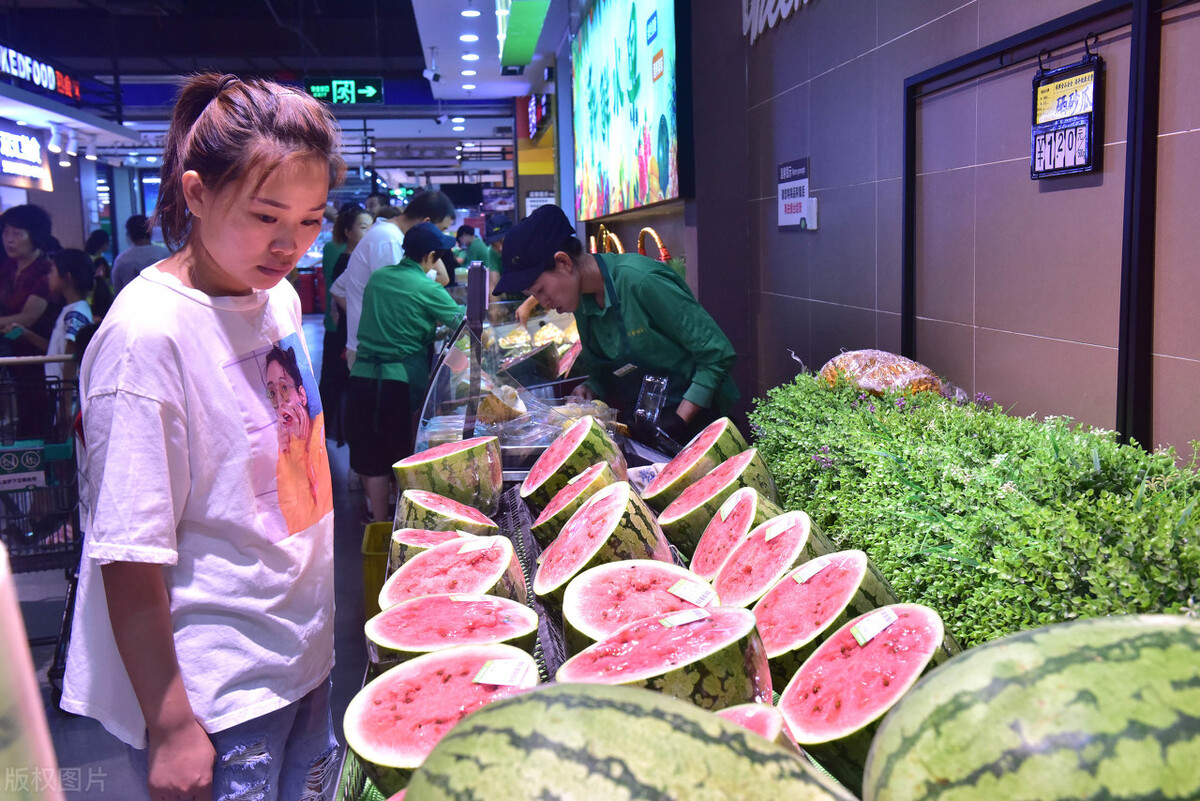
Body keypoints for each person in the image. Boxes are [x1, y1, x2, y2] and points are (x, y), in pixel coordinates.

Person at [60, 73, 344, 801]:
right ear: (195, 192)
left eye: (312, 219)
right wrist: (171, 723)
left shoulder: (274, 296)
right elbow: (126, 554)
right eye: (265, 216)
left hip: (303, 659)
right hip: (218, 698)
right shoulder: (146, 338)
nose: (291, 245)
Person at [493, 203, 739, 443]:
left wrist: (679, 419)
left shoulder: (641, 281)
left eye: (540, 290)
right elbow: (607, 368)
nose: (542, 302)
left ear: (564, 262)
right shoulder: (581, 304)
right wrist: (591, 387)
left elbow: (717, 354)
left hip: (702, 424)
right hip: (648, 428)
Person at [346, 222, 463, 524]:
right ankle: (401, 526)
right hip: (399, 381)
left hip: (362, 377)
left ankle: (378, 521)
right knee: (402, 454)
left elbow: (396, 322)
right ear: (432, 256)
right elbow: (464, 323)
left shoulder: (379, 279)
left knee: (372, 455)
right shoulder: (426, 287)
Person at [329, 190, 456, 368]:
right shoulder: (389, 241)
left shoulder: (387, 234)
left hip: (380, 352)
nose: (441, 235)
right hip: (380, 357)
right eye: (441, 229)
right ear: (427, 222)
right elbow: (406, 298)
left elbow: (339, 287)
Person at [0, 203, 62, 438]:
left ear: (34, 235)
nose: (10, 239)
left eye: (17, 233)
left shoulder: (45, 270)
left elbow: (28, 317)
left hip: (39, 357)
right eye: (6, 232)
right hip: (11, 356)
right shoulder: (6, 268)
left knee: (36, 419)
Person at [319, 204, 372, 445]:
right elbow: (339, 295)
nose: (369, 232)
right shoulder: (346, 259)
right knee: (340, 387)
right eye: (363, 227)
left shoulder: (346, 254)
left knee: (336, 385)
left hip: (339, 329)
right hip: (345, 333)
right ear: (348, 231)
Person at [2, 248, 93, 383]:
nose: (48, 276)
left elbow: (70, 359)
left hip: (67, 394)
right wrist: (26, 333)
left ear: (67, 277)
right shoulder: (71, 310)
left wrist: (66, 400)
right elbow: (55, 351)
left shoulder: (75, 313)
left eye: (52, 271)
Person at [111, 214, 172, 293]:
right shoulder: (166, 255)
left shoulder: (121, 260)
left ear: (129, 234)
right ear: (150, 231)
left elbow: (117, 290)